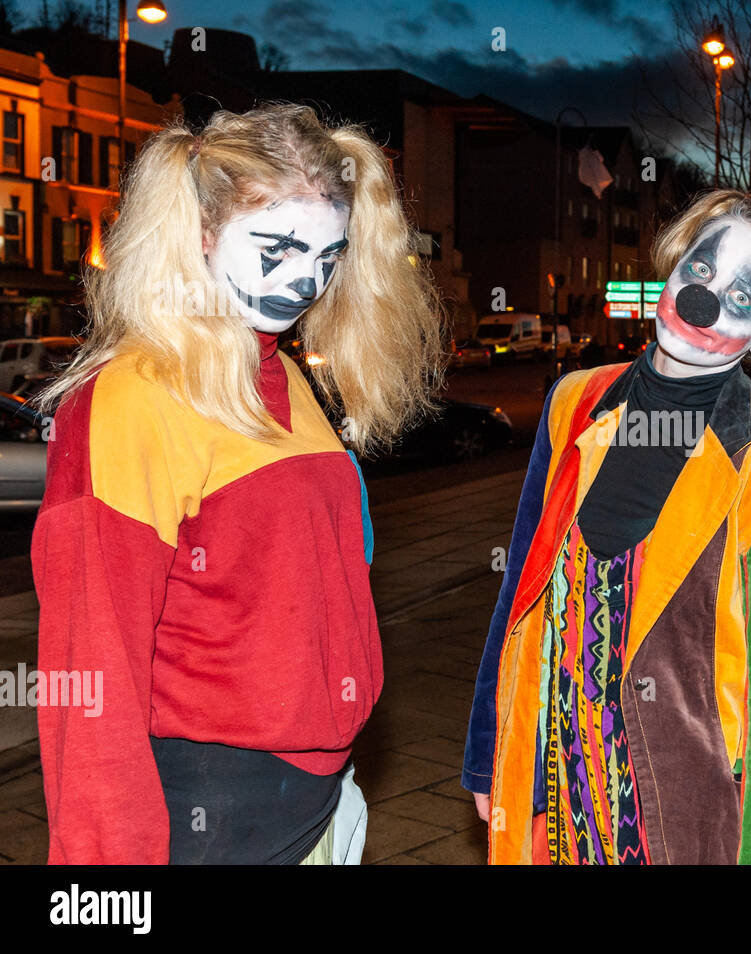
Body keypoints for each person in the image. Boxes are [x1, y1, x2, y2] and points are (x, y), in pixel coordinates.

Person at [32, 103, 445, 864]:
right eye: (279, 247)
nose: (305, 281)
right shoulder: (135, 394)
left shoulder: (277, 367)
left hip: (317, 798)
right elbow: (89, 667)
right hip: (210, 810)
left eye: (327, 256)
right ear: (199, 235)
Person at [463, 189, 751, 864]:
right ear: (675, 268)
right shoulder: (577, 401)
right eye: (701, 272)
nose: (704, 301)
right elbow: (518, 597)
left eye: (743, 297)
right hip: (557, 792)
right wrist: (489, 756)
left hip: (681, 812)